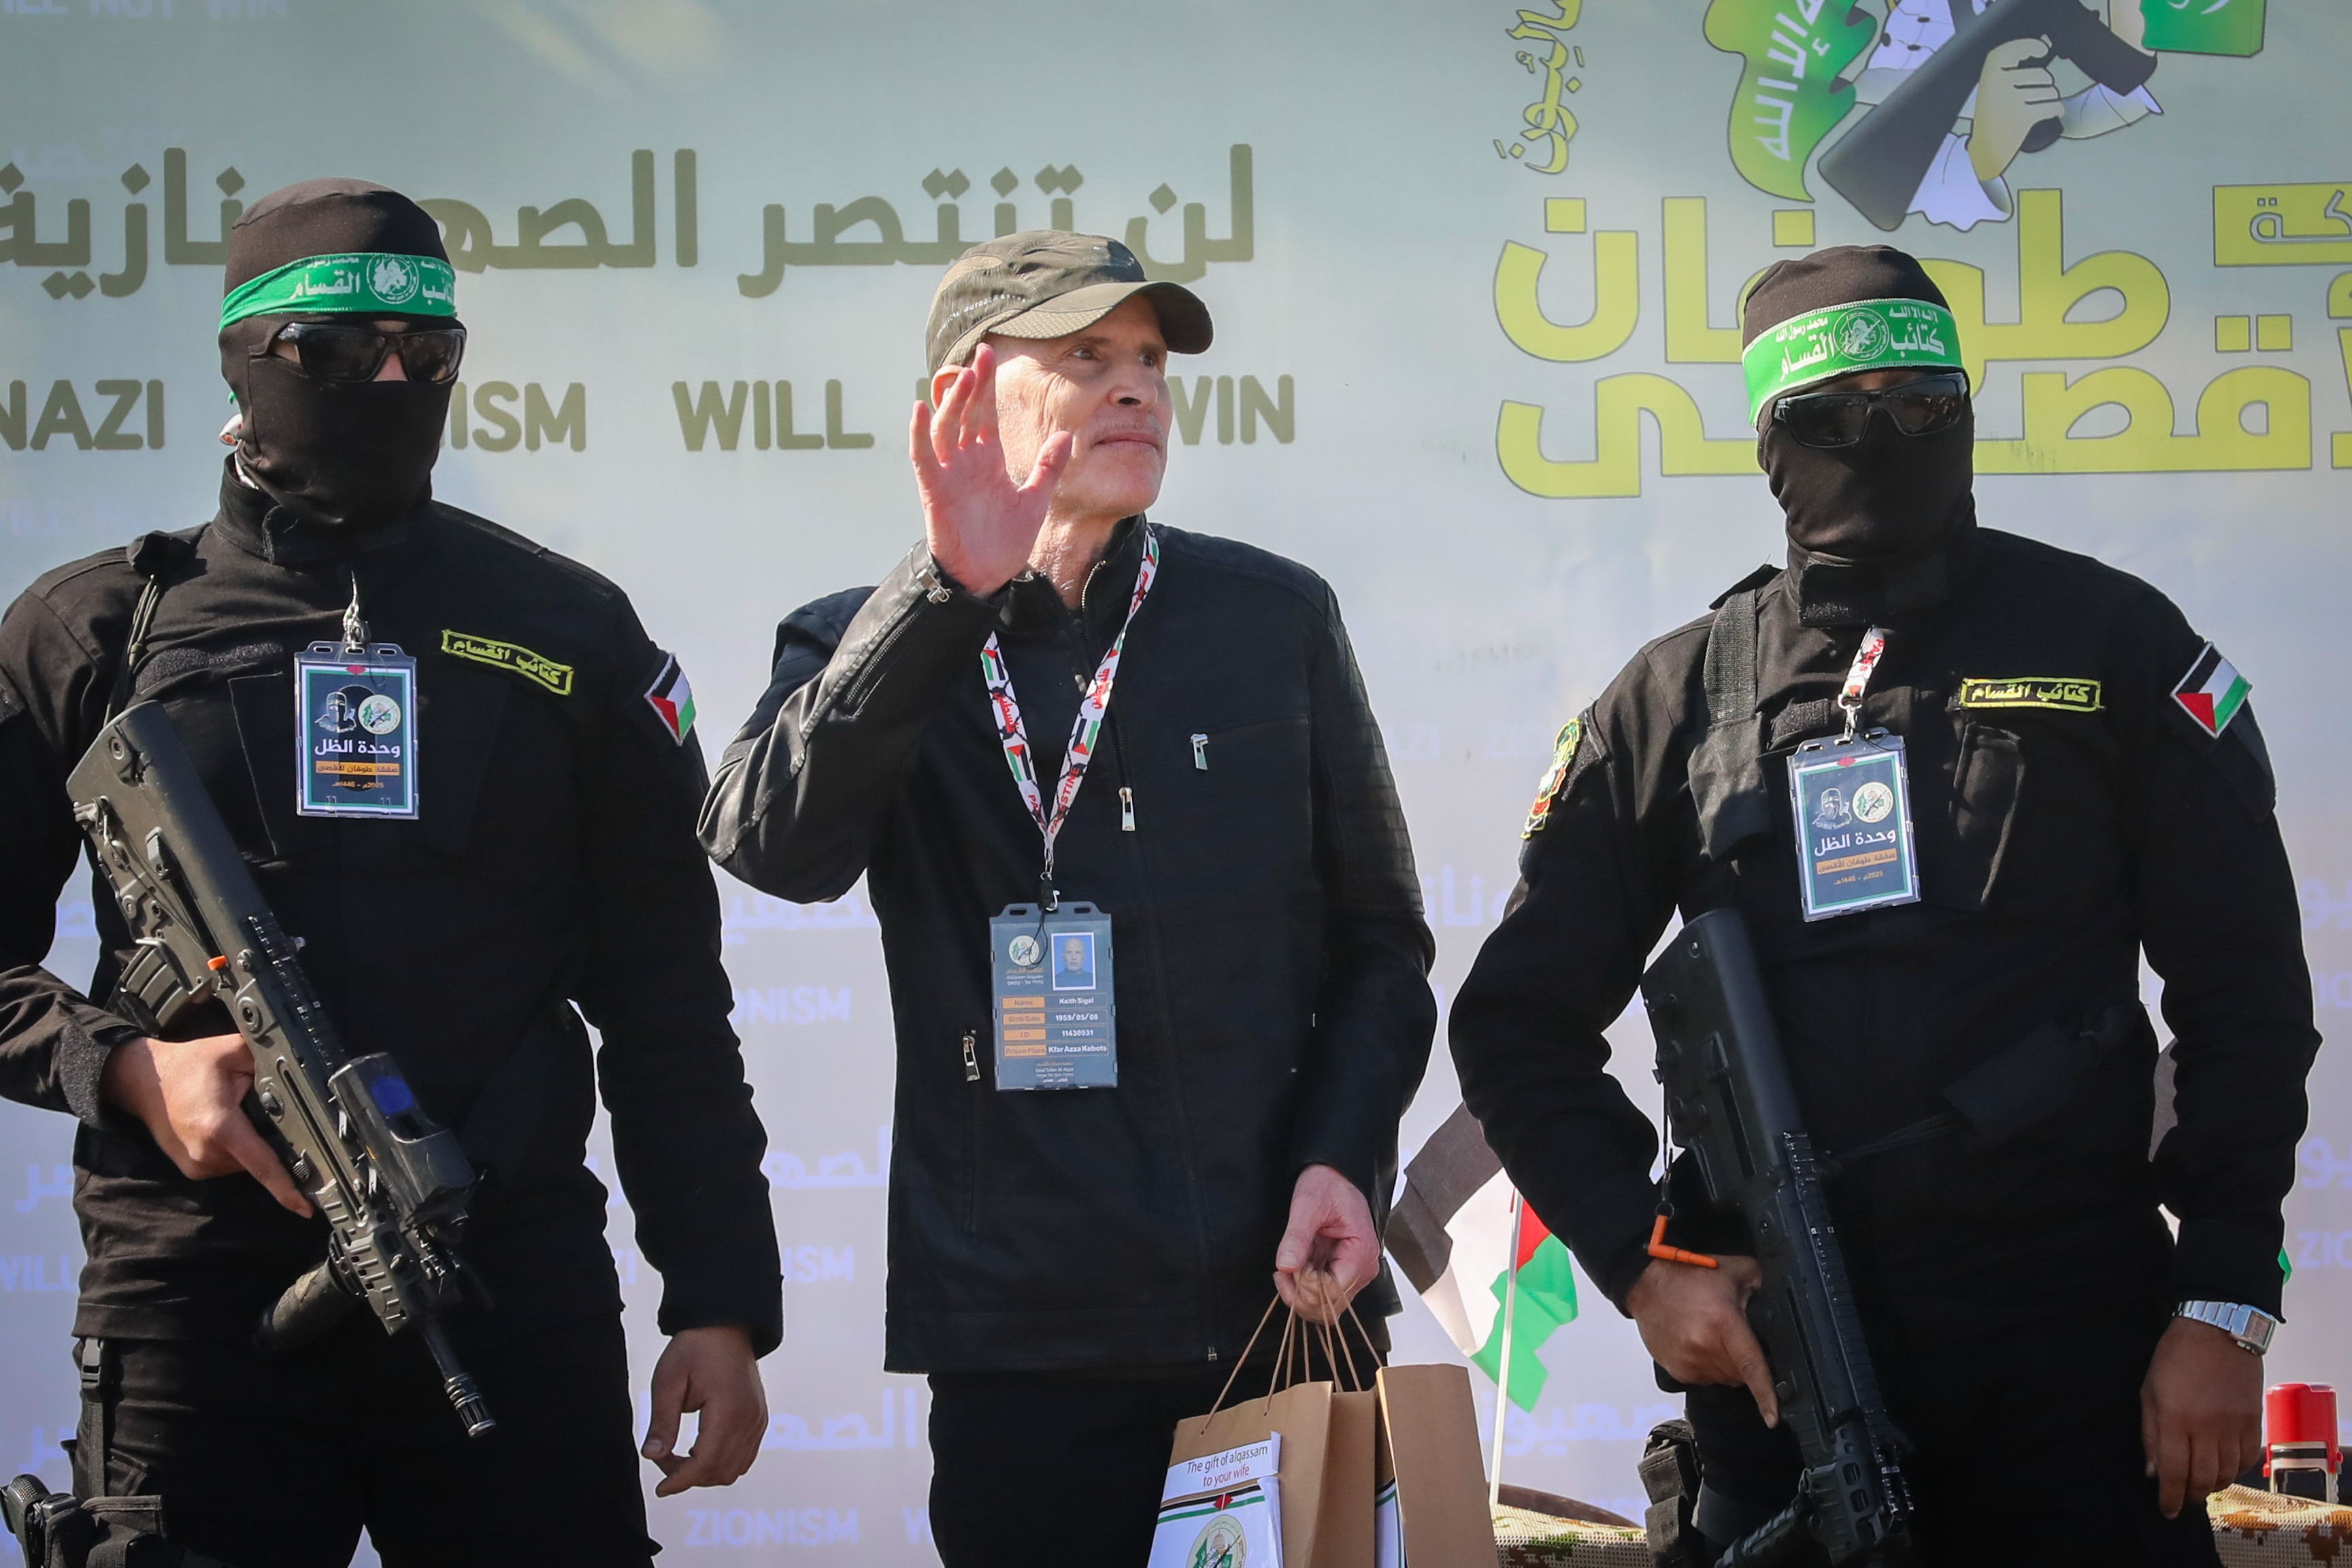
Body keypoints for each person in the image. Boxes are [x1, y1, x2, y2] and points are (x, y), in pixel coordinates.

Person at [1449, 246, 2318, 1565]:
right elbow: (1517, 1019)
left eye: (1921, 406)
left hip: (2077, 1367)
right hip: (1783, 1379)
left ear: (1965, 408)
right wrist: (1638, 1259)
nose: (1883, 437)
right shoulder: (1680, 697)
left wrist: (2222, 1304)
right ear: (1768, 442)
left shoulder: (2111, 645)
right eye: (1834, 416)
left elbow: (2244, 1001)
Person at [0, 179, 780, 1568]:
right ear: (247, 363)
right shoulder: (96, 631)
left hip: (503, 1273)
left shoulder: (565, 630)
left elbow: (664, 997)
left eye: (427, 356)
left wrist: (717, 1303)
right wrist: (128, 1069)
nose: (391, 379)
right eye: (342, 352)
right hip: (194, 1292)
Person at [699, 230, 1436, 1566]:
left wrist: (1342, 1155)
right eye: (1087, 355)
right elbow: (771, 845)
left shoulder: (1269, 618)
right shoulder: (860, 633)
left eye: (1149, 359)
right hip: (1022, 1343)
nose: (1137, 387)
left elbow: (1380, 941)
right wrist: (945, 592)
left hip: (1276, 1310)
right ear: (964, 402)